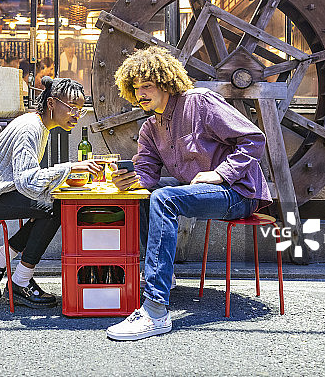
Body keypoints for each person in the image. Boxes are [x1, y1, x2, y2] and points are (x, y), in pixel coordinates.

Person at [105, 46, 271, 341]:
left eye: (148, 86)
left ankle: (155, 311)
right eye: (136, 88)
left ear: (166, 83)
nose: (142, 93)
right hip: (206, 195)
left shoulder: (200, 102)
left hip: (238, 192)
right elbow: (146, 174)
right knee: (146, 197)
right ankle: (162, 278)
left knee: (165, 197)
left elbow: (253, 139)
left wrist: (221, 173)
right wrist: (130, 181)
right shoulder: (149, 128)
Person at [0, 77, 101, 308]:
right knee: (53, 208)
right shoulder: (30, 128)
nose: (77, 115)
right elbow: (27, 182)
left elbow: (27, 181)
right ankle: (18, 281)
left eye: (80, 109)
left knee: (53, 205)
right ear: (51, 103)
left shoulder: (39, 125)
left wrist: (62, 176)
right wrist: (69, 168)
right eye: (72, 108)